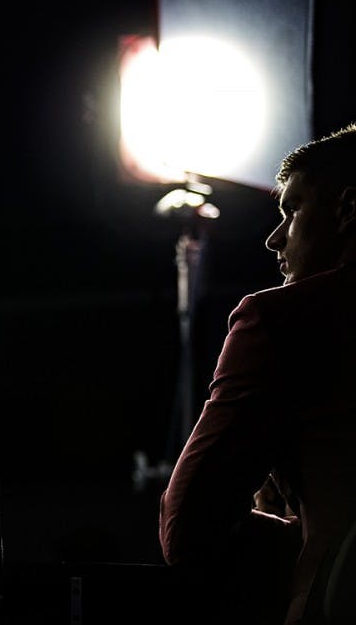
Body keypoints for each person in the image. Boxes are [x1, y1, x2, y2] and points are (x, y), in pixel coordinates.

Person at [159, 122, 356, 625]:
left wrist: (308, 538)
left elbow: (187, 528)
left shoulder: (280, 321)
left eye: (292, 210)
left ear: (348, 209)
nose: (274, 239)